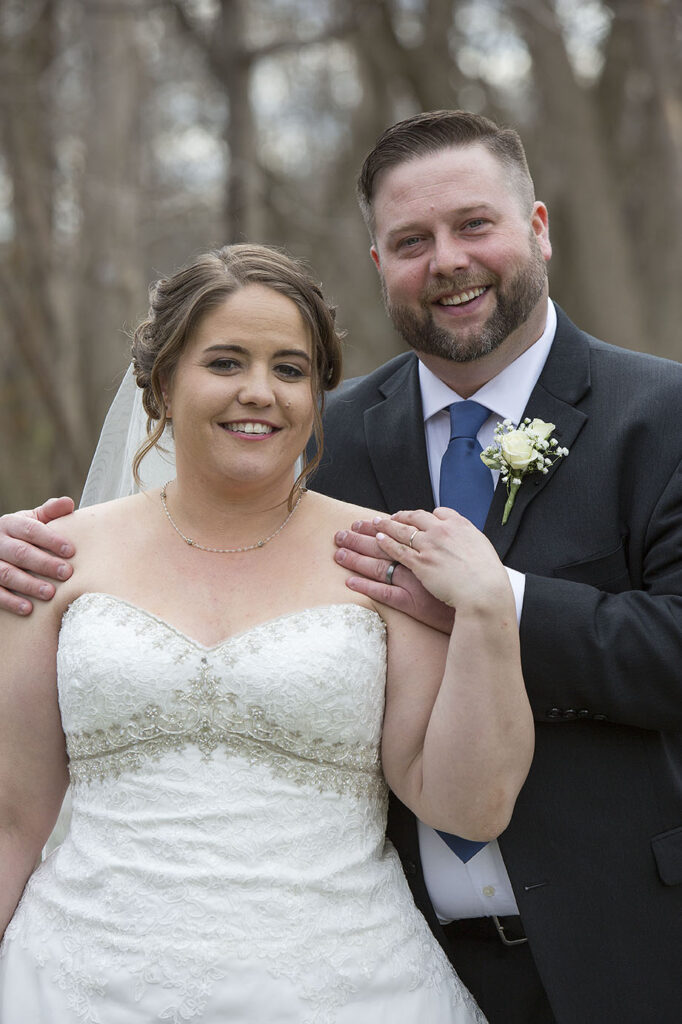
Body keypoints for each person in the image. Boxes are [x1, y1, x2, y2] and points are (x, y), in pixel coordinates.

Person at [3, 108, 682, 1023]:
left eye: (474, 224)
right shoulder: (325, 437)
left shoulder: (663, 415)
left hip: (615, 942)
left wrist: (498, 603)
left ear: (538, 228)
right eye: (411, 239)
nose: (446, 260)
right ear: (379, 265)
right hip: (387, 943)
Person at [0, 243, 534, 1023]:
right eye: (224, 362)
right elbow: (14, 821)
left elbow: (468, 808)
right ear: (161, 385)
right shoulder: (55, 559)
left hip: (347, 987)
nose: (260, 393)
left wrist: (486, 612)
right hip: (79, 980)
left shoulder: (381, 558)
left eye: (290, 370)